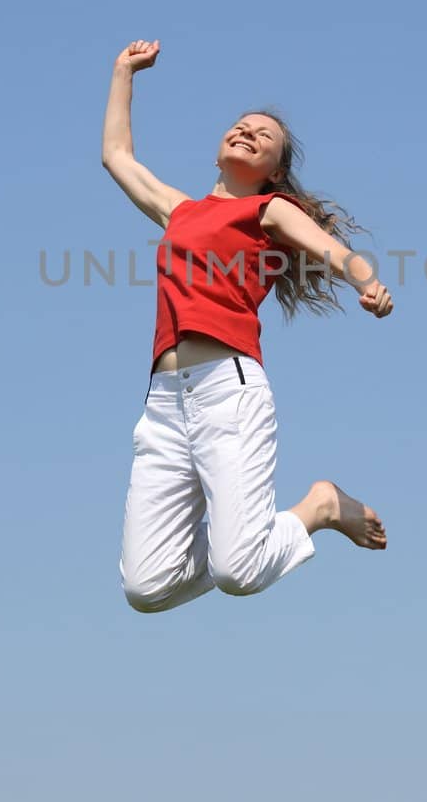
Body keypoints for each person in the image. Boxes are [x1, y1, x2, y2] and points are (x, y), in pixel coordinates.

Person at [102, 38, 392, 613]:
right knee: (145, 587)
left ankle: (319, 508)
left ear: (273, 170)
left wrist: (366, 281)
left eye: (264, 136)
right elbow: (117, 156)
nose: (249, 132)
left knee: (239, 571)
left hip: (227, 392)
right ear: (217, 151)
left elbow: (331, 249)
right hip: (163, 404)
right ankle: (249, 531)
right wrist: (123, 72)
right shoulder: (179, 211)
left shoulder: (265, 211)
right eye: (240, 125)